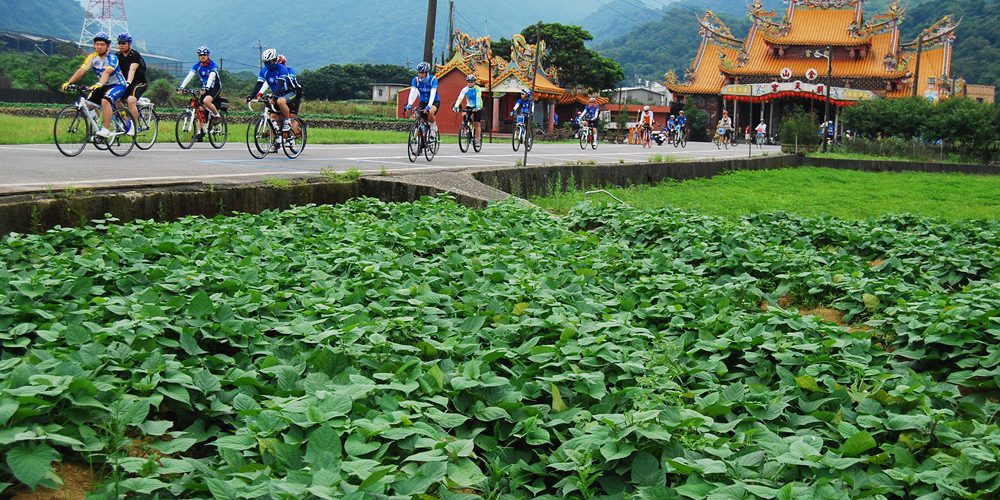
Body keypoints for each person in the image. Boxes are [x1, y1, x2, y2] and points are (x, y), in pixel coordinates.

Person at [61, 32, 128, 139]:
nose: (99, 47)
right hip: (102, 85)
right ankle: (97, 125)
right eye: (97, 44)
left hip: (117, 85)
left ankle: (105, 130)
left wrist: (99, 83)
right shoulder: (92, 57)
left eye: (102, 44)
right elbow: (82, 70)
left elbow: (107, 72)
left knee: (106, 100)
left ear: (107, 46)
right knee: (87, 104)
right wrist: (69, 82)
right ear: (94, 46)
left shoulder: (112, 58)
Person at [247, 48, 303, 134]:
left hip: (291, 93)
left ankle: (289, 125)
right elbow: (260, 84)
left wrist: (274, 96)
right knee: (273, 117)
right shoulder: (265, 71)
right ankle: (275, 141)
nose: (267, 65)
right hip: (279, 94)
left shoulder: (285, 70)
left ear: (275, 60)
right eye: (266, 63)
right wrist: (252, 96)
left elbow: (280, 84)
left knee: (284, 107)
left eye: (269, 62)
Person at [177, 45, 222, 139]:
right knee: (200, 110)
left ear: (208, 55)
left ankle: (217, 116)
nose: (202, 56)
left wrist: (206, 88)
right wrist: (181, 87)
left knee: (206, 101)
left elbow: (211, 77)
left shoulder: (212, 65)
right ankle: (199, 133)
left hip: (215, 87)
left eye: (204, 54)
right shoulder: (197, 66)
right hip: (205, 87)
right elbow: (189, 76)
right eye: (200, 55)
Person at [115, 32, 147, 132]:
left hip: (139, 83)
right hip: (124, 83)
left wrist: (128, 82)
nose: (121, 45)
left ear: (129, 44)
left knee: (131, 101)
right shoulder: (117, 56)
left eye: (123, 43)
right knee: (114, 98)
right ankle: (124, 118)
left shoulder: (135, 55)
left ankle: (134, 126)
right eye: (119, 43)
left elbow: (132, 70)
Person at [404, 62, 440, 138]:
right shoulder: (416, 80)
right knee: (420, 119)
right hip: (423, 102)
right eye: (419, 72)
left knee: (430, 112)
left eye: (422, 73)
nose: (420, 74)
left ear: (426, 72)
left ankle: (433, 127)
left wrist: (429, 106)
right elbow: (412, 92)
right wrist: (409, 104)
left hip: (434, 101)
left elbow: (433, 93)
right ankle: (420, 140)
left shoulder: (433, 79)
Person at [453, 74, 483, 143]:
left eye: (472, 81)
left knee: (477, 123)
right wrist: (456, 106)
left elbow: (478, 97)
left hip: (478, 106)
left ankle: (477, 139)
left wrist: (477, 107)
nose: (470, 83)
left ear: (474, 82)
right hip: (469, 105)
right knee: (464, 114)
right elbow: (460, 98)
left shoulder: (477, 88)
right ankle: (466, 128)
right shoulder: (465, 89)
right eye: (468, 81)